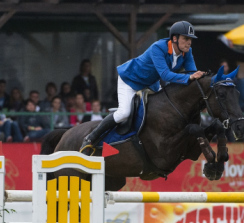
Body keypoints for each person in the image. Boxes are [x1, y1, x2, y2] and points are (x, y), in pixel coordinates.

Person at [80, 21, 204, 154]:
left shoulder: (187, 52)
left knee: (165, 107)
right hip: (130, 79)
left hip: (151, 83)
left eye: (190, 39)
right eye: (185, 38)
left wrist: (201, 78)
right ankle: (90, 138)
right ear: (174, 38)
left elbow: (192, 73)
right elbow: (165, 75)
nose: (189, 42)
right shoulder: (159, 47)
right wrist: (189, 78)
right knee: (124, 113)